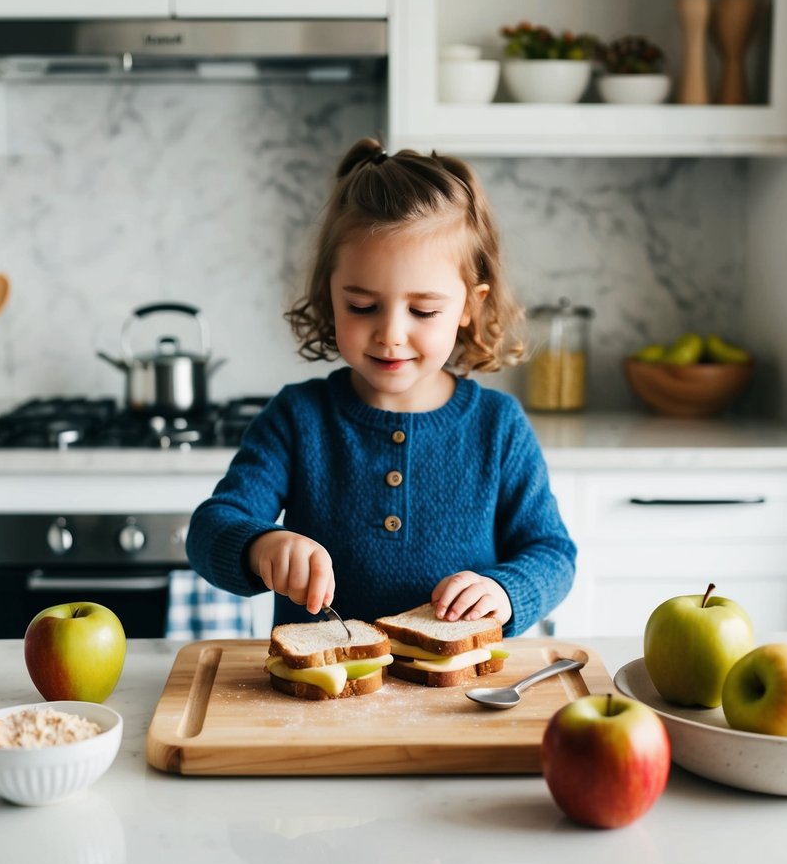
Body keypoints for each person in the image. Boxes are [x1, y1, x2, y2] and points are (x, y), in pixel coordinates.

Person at [186, 138, 576, 635]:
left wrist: (505, 589)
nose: (391, 334)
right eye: (363, 306)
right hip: (322, 692)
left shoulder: (498, 427)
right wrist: (260, 545)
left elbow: (552, 553)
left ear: (469, 307)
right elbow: (210, 527)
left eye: (424, 310)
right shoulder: (297, 418)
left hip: (456, 696)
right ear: (329, 296)